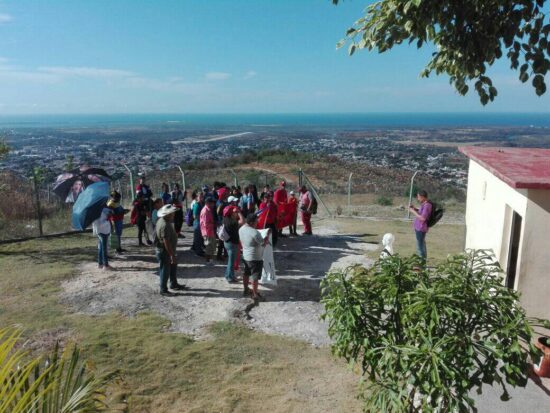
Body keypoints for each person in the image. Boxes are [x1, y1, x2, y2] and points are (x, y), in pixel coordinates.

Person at [155, 204, 188, 296]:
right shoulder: (164, 224)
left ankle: (173, 283)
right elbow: (166, 242)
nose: (174, 214)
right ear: (168, 214)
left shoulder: (164, 221)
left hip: (168, 250)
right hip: (164, 251)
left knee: (172, 266)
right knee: (165, 270)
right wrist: (172, 255)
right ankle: (163, 290)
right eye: (172, 213)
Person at [239, 213, 271, 300]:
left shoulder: (241, 229)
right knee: (255, 277)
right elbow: (263, 243)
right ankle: (255, 294)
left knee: (246, 273)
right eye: (256, 221)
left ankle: (246, 290)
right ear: (252, 222)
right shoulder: (255, 232)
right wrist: (267, 236)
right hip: (255, 258)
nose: (257, 222)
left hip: (245, 256)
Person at [222, 205, 245, 283]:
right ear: (231, 213)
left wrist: (235, 212)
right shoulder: (232, 222)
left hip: (227, 243)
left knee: (230, 261)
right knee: (231, 262)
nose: (236, 213)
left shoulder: (226, 219)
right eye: (234, 212)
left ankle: (227, 275)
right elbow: (242, 221)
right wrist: (239, 212)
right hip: (232, 244)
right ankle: (230, 278)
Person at [409, 190, 432, 262]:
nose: (418, 199)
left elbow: (422, 218)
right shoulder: (425, 204)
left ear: (422, 197)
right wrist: (415, 209)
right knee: (422, 245)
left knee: (420, 247)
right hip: (419, 228)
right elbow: (422, 213)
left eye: (418, 197)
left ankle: (421, 263)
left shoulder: (427, 205)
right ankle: (422, 262)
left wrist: (413, 212)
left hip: (421, 228)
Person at [92, 202, 113, 270]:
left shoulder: (96, 210)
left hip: (100, 231)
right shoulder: (99, 212)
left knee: (101, 247)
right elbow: (100, 223)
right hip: (103, 231)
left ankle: (100, 264)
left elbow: (112, 212)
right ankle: (105, 265)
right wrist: (108, 219)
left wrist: (109, 214)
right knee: (104, 248)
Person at [200, 196, 217, 264]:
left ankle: (210, 260)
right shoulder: (205, 211)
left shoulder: (209, 209)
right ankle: (208, 261)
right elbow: (206, 224)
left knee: (212, 246)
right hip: (207, 232)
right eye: (212, 203)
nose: (213, 204)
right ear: (208, 203)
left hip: (210, 231)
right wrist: (214, 224)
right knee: (208, 246)